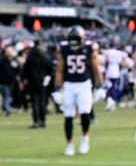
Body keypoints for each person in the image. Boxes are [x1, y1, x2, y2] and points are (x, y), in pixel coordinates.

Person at [53, 25, 104, 156]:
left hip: (84, 85)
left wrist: (100, 86)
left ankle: (84, 138)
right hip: (69, 85)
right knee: (68, 116)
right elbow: (59, 70)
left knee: (85, 114)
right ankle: (69, 144)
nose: (74, 43)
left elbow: (96, 68)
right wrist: (57, 89)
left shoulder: (89, 48)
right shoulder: (63, 49)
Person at [21, 40, 52, 129]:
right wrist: (47, 76)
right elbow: (50, 67)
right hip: (43, 82)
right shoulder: (44, 55)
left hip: (32, 82)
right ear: (40, 45)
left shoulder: (30, 56)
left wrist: (23, 79)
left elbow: (25, 69)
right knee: (42, 102)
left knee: (35, 102)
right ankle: (43, 121)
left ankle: (36, 122)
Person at [0, 44, 19, 116]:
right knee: (6, 96)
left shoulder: (14, 61)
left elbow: (18, 70)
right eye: (8, 51)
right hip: (3, 82)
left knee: (9, 97)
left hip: (12, 82)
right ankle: (6, 110)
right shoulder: (2, 60)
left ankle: (5, 108)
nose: (9, 52)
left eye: (10, 51)